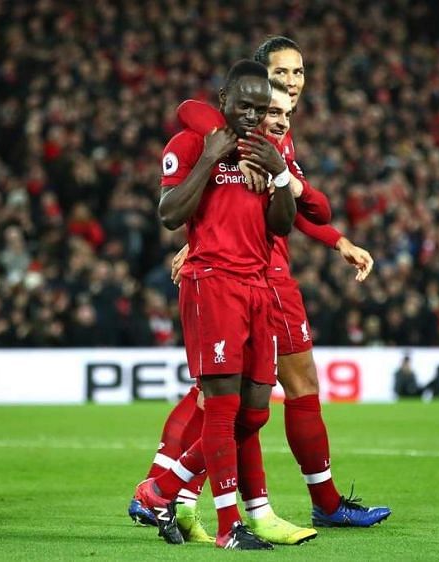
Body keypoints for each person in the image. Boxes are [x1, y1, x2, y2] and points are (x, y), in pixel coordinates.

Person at [137, 59, 296, 551]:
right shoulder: (190, 144)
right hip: (212, 283)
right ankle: (230, 525)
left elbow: (283, 226)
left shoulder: (265, 153)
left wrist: (281, 177)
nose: (251, 115)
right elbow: (169, 214)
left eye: (259, 108)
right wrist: (209, 159)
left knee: (256, 412)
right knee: (223, 408)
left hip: (257, 286)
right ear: (223, 100)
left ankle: (160, 488)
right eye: (243, 105)